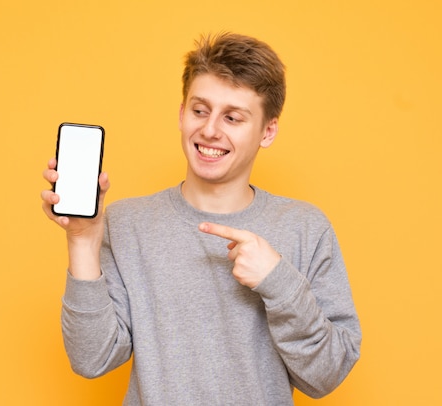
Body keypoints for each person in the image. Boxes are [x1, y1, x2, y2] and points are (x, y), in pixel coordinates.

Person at [41, 32, 361, 405]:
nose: (210, 130)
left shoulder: (305, 228)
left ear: (268, 131)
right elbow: (92, 359)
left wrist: (280, 284)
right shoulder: (126, 223)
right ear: (181, 114)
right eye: (199, 110)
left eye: (233, 117)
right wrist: (82, 239)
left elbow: (327, 377)